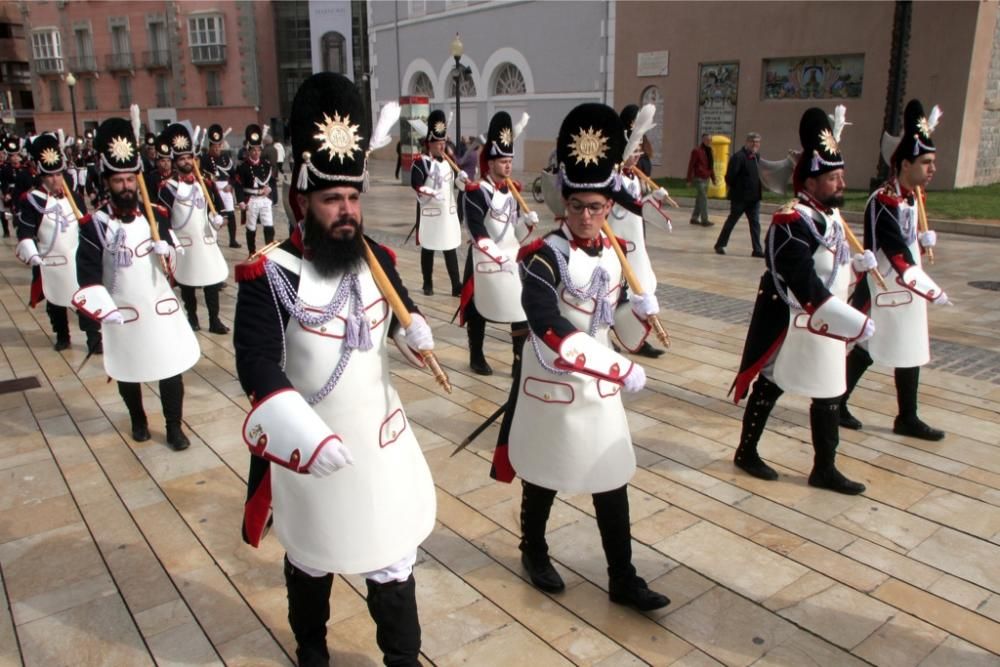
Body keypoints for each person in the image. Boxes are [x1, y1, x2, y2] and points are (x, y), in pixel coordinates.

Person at [234, 72, 436, 667]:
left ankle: (403, 659)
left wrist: (411, 327)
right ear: (302, 201)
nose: (347, 212)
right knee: (312, 557)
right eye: (332, 200)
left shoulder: (376, 258)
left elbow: (398, 312)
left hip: (379, 444)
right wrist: (303, 436)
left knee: (391, 556)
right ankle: (311, 650)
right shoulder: (269, 274)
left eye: (353, 198)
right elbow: (254, 362)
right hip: (311, 447)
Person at [495, 102, 669, 611]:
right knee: (545, 470)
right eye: (578, 208)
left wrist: (638, 307)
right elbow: (547, 326)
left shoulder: (615, 254)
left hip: (599, 386)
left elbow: (615, 320)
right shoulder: (541, 256)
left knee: (609, 473)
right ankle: (533, 549)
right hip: (554, 377)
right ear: (563, 204)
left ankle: (622, 576)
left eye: (597, 208)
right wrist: (620, 366)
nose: (589, 218)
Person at [730, 107, 872, 495]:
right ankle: (746, 451)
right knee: (773, 380)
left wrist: (858, 269)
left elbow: (833, 268)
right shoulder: (791, 220)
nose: (841, 183)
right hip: (795, 321)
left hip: (826, 321)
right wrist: (849, 319)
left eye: (841, 176)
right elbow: (802, 280)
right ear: (811, 181)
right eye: (833, 178)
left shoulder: (830, 217)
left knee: (828, 389)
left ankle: (824, 467)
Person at [73, 117, 200, 451]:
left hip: (160, 307)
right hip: (124, 310)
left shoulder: (157, 215)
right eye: (119, 180)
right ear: (107, 182)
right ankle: (138, 419)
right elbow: (86, 275)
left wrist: (169, 250)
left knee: (170, 367)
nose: (127, 187)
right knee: (129, 369)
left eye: (131, 179)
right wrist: (101, 312)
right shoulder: (94, 227)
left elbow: (174, 267)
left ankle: (174, 426)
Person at [839, 99, 950, 440]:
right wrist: (927, 286)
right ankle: (836, 401)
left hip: (908, 283)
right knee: (868, 346)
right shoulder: (883, 199)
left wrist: (921, 235)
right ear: (905, 164)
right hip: (885, 284)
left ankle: (907, 415)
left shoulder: (912, 196)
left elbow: (908, 242)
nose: (932, 169)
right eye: (926, 162)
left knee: (911, 345)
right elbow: (895, 250)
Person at [458, 111, 537, 376]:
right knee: (477, 307)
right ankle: (476, 355)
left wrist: (526, 223)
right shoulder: (476, 191)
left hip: (510, 256)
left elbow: (512, 232)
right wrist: (495, 255)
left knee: (520, 304)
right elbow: (478, 231)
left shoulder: (512, 190)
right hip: (484, 256)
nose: (508, 166)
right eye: (503, 161)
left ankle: (518, 358)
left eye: (510, 161)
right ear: (489, 163)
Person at [14, 132, 99, 352]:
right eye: (50, 176)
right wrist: (31, 252)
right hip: (50, 260)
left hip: (77, 257)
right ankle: (62, 335)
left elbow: (86, 224)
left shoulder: (74, 197)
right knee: (55, 300)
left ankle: (93, 337)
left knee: (84, 298)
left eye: (58, 174)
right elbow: (24, 231)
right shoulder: (32, 201)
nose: (55, 180)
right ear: (42, 176)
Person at [608, 103, 674, 359]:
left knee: (642, 288)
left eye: (639, 151)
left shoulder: (635, 178)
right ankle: (609, 335)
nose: (637, 156)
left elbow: (641, 209)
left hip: (636, 243)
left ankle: (638, 336)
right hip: (616, 244)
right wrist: (647, 202)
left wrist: (655, 198)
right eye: (633, 151)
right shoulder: (615, 178)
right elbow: (626, 205)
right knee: (614, 294)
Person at [157, 122, 230, 335]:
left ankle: (214, 319)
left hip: (206, 240)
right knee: (188, 282)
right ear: (175, 162)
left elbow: (217, 206)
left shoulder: (205, 183)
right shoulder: (168, 189)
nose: (187, 162)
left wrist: (218, 218)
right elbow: (163, 219)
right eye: (181, 159)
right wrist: (168, 241)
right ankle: (192, 317)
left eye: (189, 158)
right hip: (184, 243)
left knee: (212, 281)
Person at [410, 110, 466, 296]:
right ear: (429, 144)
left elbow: (453, 186)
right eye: (438, 144)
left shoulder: (449, 162)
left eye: (444, 143)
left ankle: (456, 285)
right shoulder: (422, 163)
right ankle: (427, 284)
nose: (442, 147)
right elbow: (416, 184)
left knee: (450, 248)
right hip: (431, 213)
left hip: (448, 214)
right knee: (429, 248)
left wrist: (462, 181)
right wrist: (431, 192)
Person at [714, 132, 764, 257]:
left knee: (755, 224)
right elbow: (729, 177)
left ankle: (757, 250)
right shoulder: (739, 157)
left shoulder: (757, 157)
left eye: (757, 142)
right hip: (740, 198)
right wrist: (739, 189)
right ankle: (720, 245)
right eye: (753, 141)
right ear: (747, 142)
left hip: (754, 198)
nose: (755, 144)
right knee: (731, 222)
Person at [234, 124, 277, 255]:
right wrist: (241, 201)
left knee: (269, 225)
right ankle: (251, 252)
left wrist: (270, 189)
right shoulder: (243, 167)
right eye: (253, 150)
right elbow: (238, 185)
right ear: (249, 151)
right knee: (251, 227)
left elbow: (272, 182)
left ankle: (269, 250)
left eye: (258, 150)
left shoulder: (266, 165)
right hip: (251, 199)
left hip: (264, 199)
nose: (256, 152)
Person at [200, 124, 241, 248]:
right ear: (211, 146)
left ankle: (232, 240)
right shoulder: (205, 159)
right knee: (214, 215)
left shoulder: (225, 158)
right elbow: (202, 175)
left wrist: (231, 185)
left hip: (226, 189)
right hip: (212, 189)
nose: (218, 148)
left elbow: (234, 175)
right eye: (216, 146)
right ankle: (214, 239)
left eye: (219, 145)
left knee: (231, 215)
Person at [1, 135, 33, 237]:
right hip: (13, 195)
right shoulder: (6, 168)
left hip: (25, 193)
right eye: (12, 156)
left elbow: (30, 181)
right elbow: (4, 182)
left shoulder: (25, 167)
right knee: (16, 214)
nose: (15, 158)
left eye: (16, 156)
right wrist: (6, 193)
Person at [686, 133, 716, 226]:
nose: (709, 142)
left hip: (706, 178)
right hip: (699, 178)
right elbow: (691, 165)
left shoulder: (710, 151)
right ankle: (704, 220)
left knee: (700, 199)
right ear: (703, 140)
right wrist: (689, 179)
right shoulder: (697, 151)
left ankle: (694, 218)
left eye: (710, 140)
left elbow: (711, 166)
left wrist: (713, 178)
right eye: (707, 140)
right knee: (703, 199)